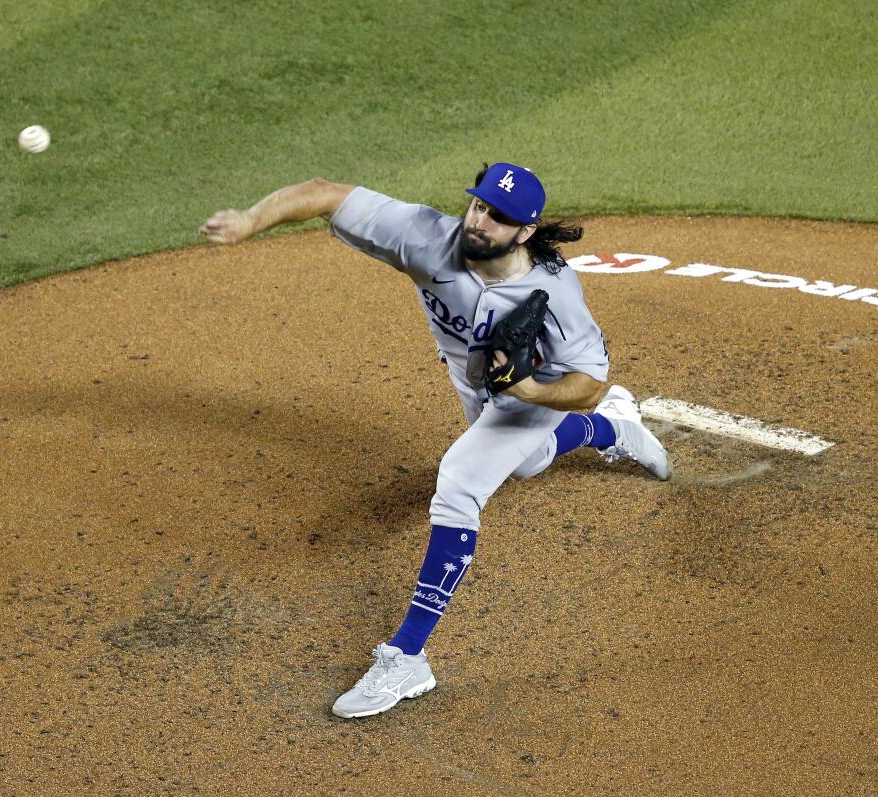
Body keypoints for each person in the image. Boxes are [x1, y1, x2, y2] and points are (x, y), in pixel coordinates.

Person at [199, 163, 671, 719]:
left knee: (460, 484)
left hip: (533, 393)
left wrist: (524, 388)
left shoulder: (555, 291)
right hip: (470, 378)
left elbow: (588, 384)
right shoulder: (428, 236)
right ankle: (618, 428)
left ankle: (407, 657)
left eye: (499, 217)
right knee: (527, 464)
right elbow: (324, 194)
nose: (479, 220)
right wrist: (250, 220)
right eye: (478, 205)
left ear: (524, 232)